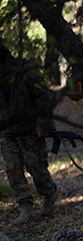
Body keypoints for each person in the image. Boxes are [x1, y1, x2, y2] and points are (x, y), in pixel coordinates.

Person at [0, 41, 59, 225]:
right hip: (7, 130)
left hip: (30, 128)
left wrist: (43, 124)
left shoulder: (26, 71)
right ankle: (26, 207)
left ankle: (49, 193)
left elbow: (44, 97)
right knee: (13, 169)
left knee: (36, 166)